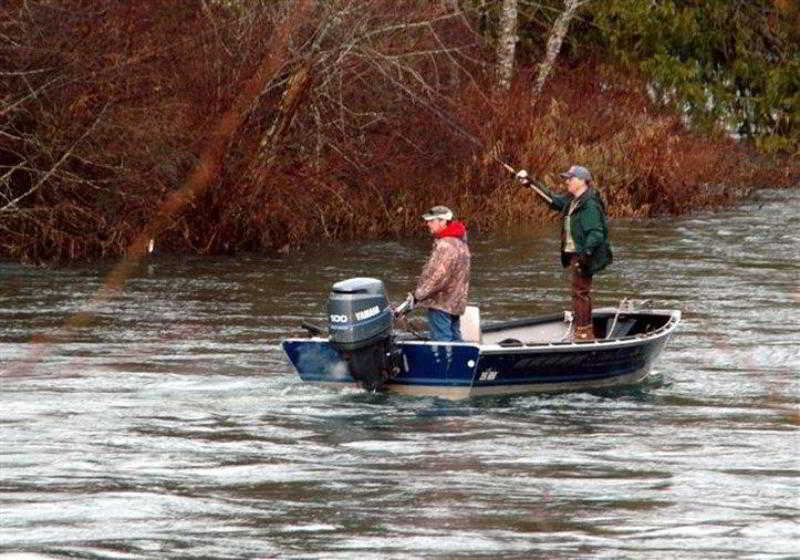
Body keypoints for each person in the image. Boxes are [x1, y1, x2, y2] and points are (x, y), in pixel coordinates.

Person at [516, 165, 612, 340]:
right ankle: (585, 329)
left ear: (582, 181)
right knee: (580, 292)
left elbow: (596, 233)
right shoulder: (573, 200)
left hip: (583, 255)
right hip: (577, 254)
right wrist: (531, 183)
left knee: (580, 293)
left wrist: (585, 254)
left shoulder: (589, 204)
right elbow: (552, 200)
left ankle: (583, 333)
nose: (567, 181)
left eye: (571, 179)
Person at [401, 205, 471, 342]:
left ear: (443, 222)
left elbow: (437, 278)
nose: (428, 224)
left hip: (441, 304)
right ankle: (458, 363)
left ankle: (447, 363)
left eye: (431, 221)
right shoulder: (459, 242)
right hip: (455, 302)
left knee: (443, 343)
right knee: (456, 340)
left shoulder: (446, 245)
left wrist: (417, 295)